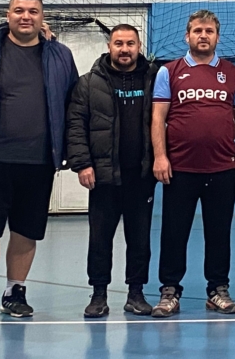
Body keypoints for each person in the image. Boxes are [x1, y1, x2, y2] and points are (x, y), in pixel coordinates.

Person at [0, 0, 78, 327]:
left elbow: (72, 103)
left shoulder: (60, 55)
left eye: (33, 11)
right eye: (19, 10)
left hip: (39, 161)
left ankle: (15, 292)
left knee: (26, 231)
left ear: (42, 18)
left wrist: (70, 150)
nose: (26, 16)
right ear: (7, 15)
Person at [149, 10, 235, 318]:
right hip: (181, 168)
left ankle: (217, 289)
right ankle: (169, 290)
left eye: (209, 31)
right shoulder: (169, 72)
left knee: (219, 232)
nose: (203, 35)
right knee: (174, 232)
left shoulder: (231, 73)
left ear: (217, 37)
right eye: (197, 31)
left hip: (222, 168)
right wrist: (160, 156)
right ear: (187, 36)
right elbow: (158, 118)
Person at [66, 24, 159, 318]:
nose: (124, 49)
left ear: (139, 46)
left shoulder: (155, 79)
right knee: (100, 239)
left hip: (141, 176)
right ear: (109, 46)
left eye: (130, 43)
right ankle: (98, 295)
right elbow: (76, 125)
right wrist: (82, 163)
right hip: (103, 176)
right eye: (119, 43)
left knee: (140, 239)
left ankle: (136, 293)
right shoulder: (88, 83)